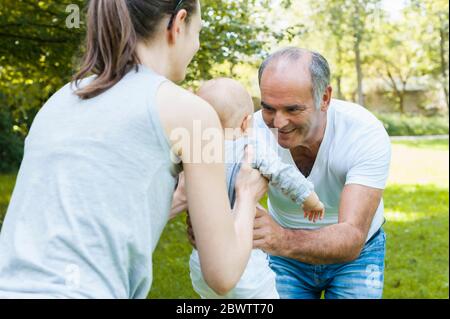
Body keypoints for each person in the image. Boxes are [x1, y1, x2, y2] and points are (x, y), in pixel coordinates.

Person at [0, 0, 267, 299]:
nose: (197, 45)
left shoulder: (61, 100)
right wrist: (247, 195)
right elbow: (223, 273)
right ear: (178, 24)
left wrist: (179, 198)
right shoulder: (192, 113)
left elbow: (97, 219)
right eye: (198, 32)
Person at [251, 47, 392, 299]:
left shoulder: (363, 132)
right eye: (269, 108)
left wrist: (278, 239)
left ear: (324, 98)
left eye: (292, 109)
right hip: (285, 260)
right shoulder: (252, 132)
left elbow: (351, 237)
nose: (278, 123)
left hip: (357, 255)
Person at [186, 78, 325, 299]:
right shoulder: (249, 147)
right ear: (245, 123)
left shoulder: (191, 151)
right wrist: (309, 198)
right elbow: (282, 173)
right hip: (244, 255)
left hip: (204, 258)